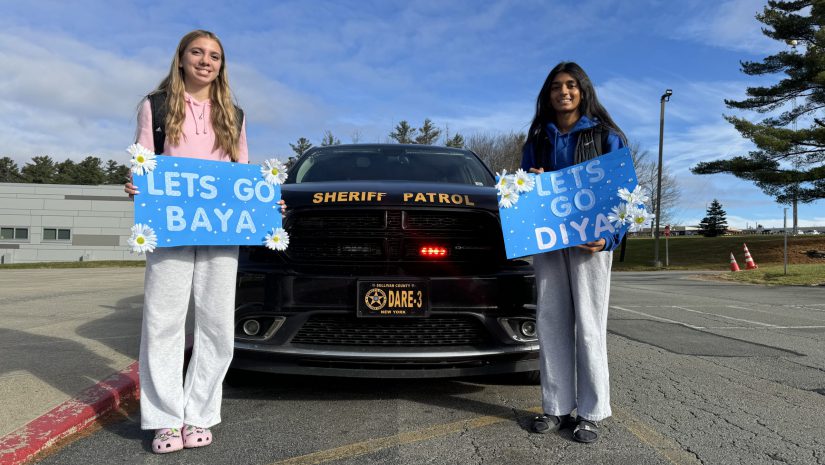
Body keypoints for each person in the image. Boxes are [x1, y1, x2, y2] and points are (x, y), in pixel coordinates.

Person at [124, 29, 260, 454]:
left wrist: (263, 205)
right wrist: (137, 184)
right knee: (163, 321)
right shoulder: (157, 105)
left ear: (222, 65)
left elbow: (243, 173)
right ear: (181, 58)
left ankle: (199, 413)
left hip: (221, 229)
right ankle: (165, 420)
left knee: (217, 323)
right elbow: (144, 156)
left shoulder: (233, 115)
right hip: (171, 226)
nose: (206, 61)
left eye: (214, 56)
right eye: (197, 53)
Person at [520, 62, 627, 443]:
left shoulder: (605, 136)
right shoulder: (538, 139)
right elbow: (523, 194)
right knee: (551, 324)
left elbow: (623, 196)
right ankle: (555, 407)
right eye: (555, 87)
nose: (563, 92)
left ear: (583, 90)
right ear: (548, 95)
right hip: (549, 245)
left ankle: (592, 412)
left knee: (589, 326)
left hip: (589, 246)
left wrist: (610, 236)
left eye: (570, 85)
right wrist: (528, 187)